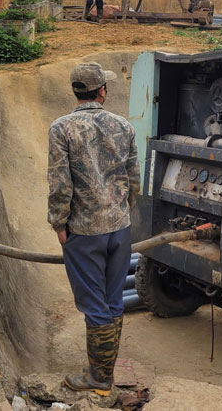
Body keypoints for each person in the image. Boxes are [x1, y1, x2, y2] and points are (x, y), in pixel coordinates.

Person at [48, 62, 140, 396]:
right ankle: (104, 373)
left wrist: (59, 222)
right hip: (119, 228)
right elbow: (134, 179)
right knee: (113, 302)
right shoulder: (123, 126)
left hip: (84, 232)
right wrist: (121, 214)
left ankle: (99, 378)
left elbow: (60, 183)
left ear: (76, 91)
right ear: (102, 91)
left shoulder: (62, 128)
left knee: (95, 306)